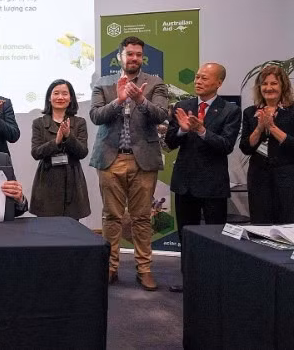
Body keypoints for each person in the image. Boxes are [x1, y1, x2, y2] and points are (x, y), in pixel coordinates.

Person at [90, 36, 168, 291]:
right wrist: (120, 100)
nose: (134, 58)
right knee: (111, 217)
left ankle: (144, 270)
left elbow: (162, 115)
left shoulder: (155, 83)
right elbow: (96, 116)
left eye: (138, 54)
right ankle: (110, 268)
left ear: (142, 57)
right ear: (120, 57)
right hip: (111, 158)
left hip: (142, 160)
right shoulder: (103, 84)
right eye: (129, 54)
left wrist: (140, 100)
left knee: (142, 218)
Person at [164, 63, 240, 293]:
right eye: (197, 77)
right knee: (186, 234)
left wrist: (201, 131)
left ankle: (215, 282)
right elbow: (169, 142)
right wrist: (183, 130)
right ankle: (190, 281)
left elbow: (226, 146)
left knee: (214, 236)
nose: (198, 81)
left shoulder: (229, 110)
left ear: (219, 82)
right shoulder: (183, 106)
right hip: (185, 182)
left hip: (212, 184)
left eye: (204, 78)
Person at [239, 64, 294, 224]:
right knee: (260, 222)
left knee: (287, 223)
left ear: (283, 86)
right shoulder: (250, 112)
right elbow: (245, 147)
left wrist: (272, 127)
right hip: (258, 177)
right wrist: (259, 128)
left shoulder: (291, 112)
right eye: (264, 84)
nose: (268, 88)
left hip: (287, 177)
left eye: (273, 83)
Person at [29, 79, 90, 220]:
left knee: (72, 230)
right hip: (47, 180)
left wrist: (68, 136)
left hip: (72, 181)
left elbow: (82, 152)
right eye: (56, 93)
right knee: (47, 232)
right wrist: (56, 142)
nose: (60, 97)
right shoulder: (39, 123)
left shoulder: (79, 122)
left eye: (65, 94)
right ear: (49, 98)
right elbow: (36, 152)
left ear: (71, 98)